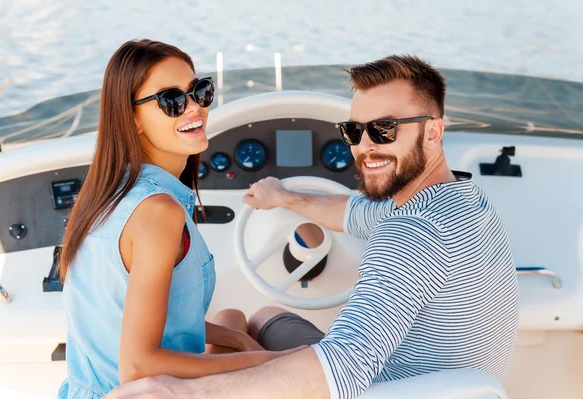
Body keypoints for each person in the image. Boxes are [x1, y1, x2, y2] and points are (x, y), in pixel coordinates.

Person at [105, 54, 519, 399]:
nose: (365, 147)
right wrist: (285, 198)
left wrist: (183, 392)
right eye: (354, 131)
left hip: (380, 388)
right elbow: (353, 213)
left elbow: (343, 368)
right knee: (264, 316)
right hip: (454, 386)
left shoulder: (411, 235)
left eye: (384, 129)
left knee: (228, 336)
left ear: (433, 131)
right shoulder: (462, 201)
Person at [57, 39, 301, 399]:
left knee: (233, 320)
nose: (194, 109)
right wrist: (272, 361)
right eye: (171, 100)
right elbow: (138, 367)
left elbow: (138, 318)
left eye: (200, 92)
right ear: (132, 119)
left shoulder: (105, 192)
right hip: (136, 390)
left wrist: (235, 340)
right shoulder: (158, 212)